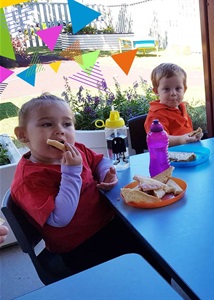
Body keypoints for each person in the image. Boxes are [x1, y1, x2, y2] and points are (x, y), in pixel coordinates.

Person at [10, 93, 168, 277]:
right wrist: (71, 172)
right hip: (78, 246)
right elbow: (60, 219)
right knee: (144, 263)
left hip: (108, 221)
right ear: (23, 135)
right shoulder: (29, 180)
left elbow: (100, 162)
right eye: (47, 124)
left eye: (67, 124)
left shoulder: (77, 149)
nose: (60, 130)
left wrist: (107, 174)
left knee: (156, 242)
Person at [144, 63, 203, 147]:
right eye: (166, 89)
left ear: (184, 89)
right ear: (156, 91)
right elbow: (157, 139)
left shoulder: (181, 107)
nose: (173, 93)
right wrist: (181, 140)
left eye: (178, 88)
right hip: (168, 157)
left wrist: (194, 136)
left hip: (189, 153)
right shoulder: (156, 115)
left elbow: (186, 132)